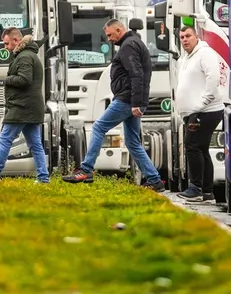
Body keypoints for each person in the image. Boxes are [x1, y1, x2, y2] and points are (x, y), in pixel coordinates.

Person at [63, 19, 164, 190]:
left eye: (110, 35)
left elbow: (136, 74)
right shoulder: (134, 43)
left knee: (98, 127)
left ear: (119, 30)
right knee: (132, 142)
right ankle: (154, 180)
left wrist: (136, 103)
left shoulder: (128, 46)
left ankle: (86, 169)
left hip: (126, 100)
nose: (108, 38)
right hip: (132, 100)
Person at [0, 27, 49, 187]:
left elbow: (24, 79)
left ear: (16, 40)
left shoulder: (24, 57)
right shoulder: (30, 55)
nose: (5, 47)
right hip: (31, 107)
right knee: (35, 144)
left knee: (5, 139)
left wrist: (7, 79)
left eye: (7, 43)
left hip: (21, 107)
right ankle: (43, 178)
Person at [174, 26, 228, 202]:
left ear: (196, 37)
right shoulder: (187, 58)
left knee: (192, 145)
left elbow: (213, 80)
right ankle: (207, 192)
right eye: (182, 37)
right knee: (202, 149)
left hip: (205, 111)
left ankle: (195, 188)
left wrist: (200, 105)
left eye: (188, 36)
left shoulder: (205, 54)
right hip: (196, 111)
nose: (184, 40)